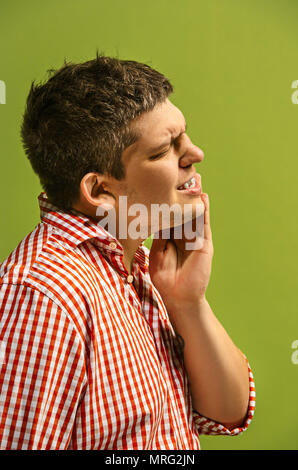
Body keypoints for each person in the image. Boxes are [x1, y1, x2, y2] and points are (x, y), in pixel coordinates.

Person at [0, 53, 255, 450]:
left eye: (184, 136)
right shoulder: (45, 293)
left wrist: (188, 303)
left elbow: (228, 411)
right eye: (163, 151)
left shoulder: (131, 269)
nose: (195, 154)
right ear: (101, 191)